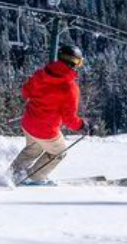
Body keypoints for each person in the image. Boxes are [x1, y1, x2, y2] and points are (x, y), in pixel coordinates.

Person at [9, 44, 87, 185]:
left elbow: (26, 91)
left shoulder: (41, 74)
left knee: (34, 148)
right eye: (79, 62)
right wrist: (83, 125)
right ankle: (35, 178)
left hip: (28, 123)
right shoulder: (69, 88)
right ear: (73, 62)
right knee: (59, 151)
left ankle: (13, 174)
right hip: (45, 130)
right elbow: (69, 119)